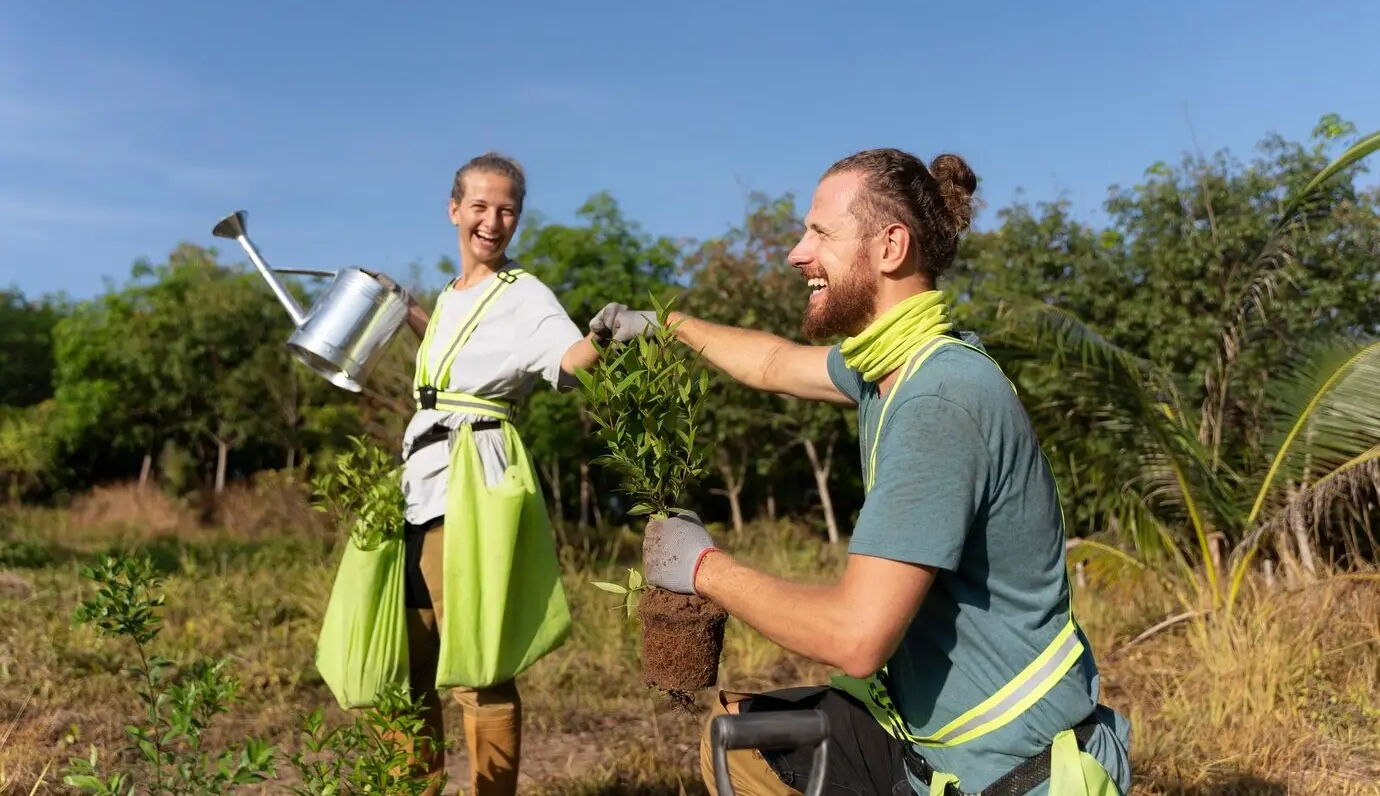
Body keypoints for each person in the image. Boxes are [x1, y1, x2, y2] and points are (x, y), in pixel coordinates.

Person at [589, 148, 1133, 796]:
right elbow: (773, 364)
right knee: (739, 744)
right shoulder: (892, 368)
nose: (796, 253)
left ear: (890, 246)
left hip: (1008, 769)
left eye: (819, 233)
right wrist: (668, 326)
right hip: (930, 735)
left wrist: (702, 567)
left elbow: (855, 637)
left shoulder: (937, 401)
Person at [376, 151, 602, 796]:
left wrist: (608, 335)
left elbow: (566, 359)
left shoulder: (525, 294)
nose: (492, 220)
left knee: (477, 665)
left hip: (472, 489)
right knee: (409, 662)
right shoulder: (450, 299)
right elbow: (452, 362)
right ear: (454, 211)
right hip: (414, 488)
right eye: (480, 206)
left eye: (507, 210)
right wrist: (409, 309)